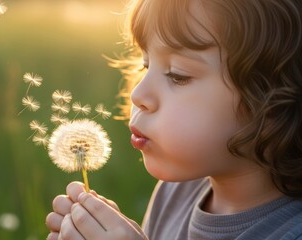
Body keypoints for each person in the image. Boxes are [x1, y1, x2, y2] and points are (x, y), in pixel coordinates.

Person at [45, 0, 302, 239]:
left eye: (177, 75)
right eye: (146, 65)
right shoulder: (176, 193)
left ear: (276, 100)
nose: (138, 94)